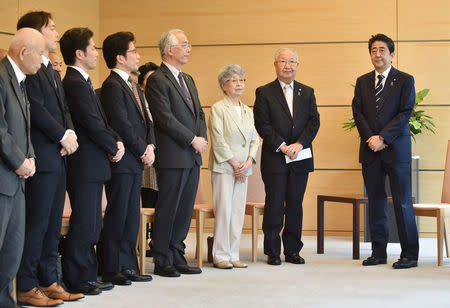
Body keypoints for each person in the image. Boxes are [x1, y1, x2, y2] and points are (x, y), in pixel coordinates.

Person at [15, 11, 84, 307]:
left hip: (59, 156)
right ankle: (27, 284)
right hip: (41, 157)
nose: (57, 33)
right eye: (51, 28)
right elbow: (37, 111)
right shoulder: (29, 69)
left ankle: (48, 280)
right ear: (35, 33)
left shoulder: (50, 70)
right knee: (37, 223)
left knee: (53, 223)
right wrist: (61, 136)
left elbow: (63, 108)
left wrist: (70, 134)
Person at [59, 27, 124, 295]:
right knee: (85, 223)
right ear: (79, 53)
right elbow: (91, 123)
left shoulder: (83, 81)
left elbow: (102, 122)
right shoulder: (74, 82)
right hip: (84, 164)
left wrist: (115, 140)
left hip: (94, 163)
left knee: (92, 223)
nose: (97, 53)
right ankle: (79, 277)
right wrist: (113, 144)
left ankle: (87, 274)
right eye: (93, 48)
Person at [352, 33, 419, 269]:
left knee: (402, 203)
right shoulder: (362, 81)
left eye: (382, 50)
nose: (377, 54)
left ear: (392, 54)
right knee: (376, 202)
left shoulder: (405, 80)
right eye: (373, 50)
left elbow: (405, 112)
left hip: (395, 150)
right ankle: (378, 253)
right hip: (370, 149)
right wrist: (371, 138)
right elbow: (357, 112)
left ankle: (409, 254)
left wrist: (383, 138)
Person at [146, 29, 207, 277]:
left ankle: (176, 252)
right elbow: (164, 118)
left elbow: (199, 114)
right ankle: (162, 257)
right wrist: (192, 139)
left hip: (192, 155)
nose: (189, 48)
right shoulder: (158, 79)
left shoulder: (188, 79)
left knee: (184, 208)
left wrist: (200, 138)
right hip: (173, 155)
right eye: (184, 44)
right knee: (169, 207)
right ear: (169, 49)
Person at [253, 47, 320, 266]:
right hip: (275, 157)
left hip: (300, 157)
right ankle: (272, 250)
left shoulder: (307, 92)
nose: (288, 65)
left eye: (292, 62)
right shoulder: (264, 92)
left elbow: (313, 122)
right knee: (274, 205)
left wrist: (299, 144)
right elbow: (262, 124)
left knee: (295, 204)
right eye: (283, 61)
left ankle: (292, 250)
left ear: (297, 66)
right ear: (275, 64)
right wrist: (283, 146)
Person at [100, 31, 155, 284]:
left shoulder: (133, 84)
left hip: (136, 160)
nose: (138, 55)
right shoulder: (112, 85)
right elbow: (121, 124)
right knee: (118, 215)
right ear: (120, 58)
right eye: (134, 51)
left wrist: (151, 145)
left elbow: (147, 120)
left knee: (132, 216)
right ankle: (113, 267)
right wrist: (142, 149)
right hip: (123, 161)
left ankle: (128, 264)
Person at [0, 27, 43, 308]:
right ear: (24, 52)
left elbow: (23, 131)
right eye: (40, 53)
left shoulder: (20, 81)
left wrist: (31, 158)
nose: (44, 58)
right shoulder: (1, 77)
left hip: (17, 181)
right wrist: (19, 162)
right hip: (5, 177)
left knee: (12, 251)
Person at [208, 64, 259, 269]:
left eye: (242, 80)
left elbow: (255, 139)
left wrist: (248, 162)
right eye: (234, 80)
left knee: (237, 211)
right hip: (224, 167)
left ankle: (233, 252)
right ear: (224, 84)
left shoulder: (248, 110)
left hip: (243, 168)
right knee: (224, 210)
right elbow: (217, 139)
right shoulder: (218, 108)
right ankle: (220, 255)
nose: (240, 84)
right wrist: (235, 164)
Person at [137, 62, 159, 257]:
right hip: (143, 159)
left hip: (161, 159)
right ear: (141, 84)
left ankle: (155, 240)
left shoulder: (160, 101)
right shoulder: (139, 101)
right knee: (145, 199)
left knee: (159, 201)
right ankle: (141, 241)